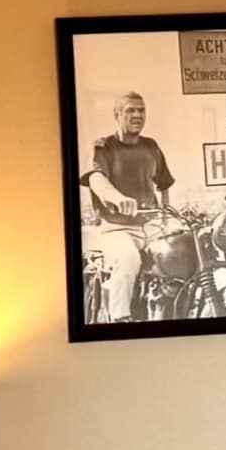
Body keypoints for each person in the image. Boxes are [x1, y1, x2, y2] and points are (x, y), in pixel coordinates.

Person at [83, 92, 181, 320]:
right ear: (117, 115)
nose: (137, 115)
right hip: (118, 228)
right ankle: (120, 319)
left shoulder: (150, 146)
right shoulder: (104, 147)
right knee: (129, 259)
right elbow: (96, 178)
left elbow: (164, 184)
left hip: (151, 227)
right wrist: (117, 198)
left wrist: (166, 220)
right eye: (130, 110)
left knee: (180, 255)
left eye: (141, 110)